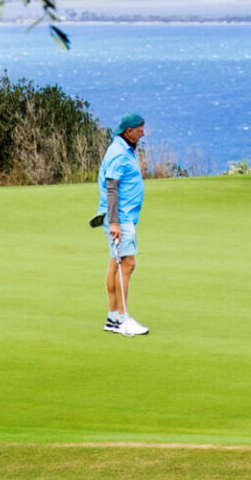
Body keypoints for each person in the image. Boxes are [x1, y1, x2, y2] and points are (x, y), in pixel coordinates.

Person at [98, 112, 149, 337]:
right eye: (140, 130)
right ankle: (122, 319)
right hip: (121, 218)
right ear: (129, 132)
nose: (143, 133)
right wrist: (115, 222)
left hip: (121, 217)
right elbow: (111, 187)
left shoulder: (120, 148)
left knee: (115, 263)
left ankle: (113, 317)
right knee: (127, 265)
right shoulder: (119, 153)